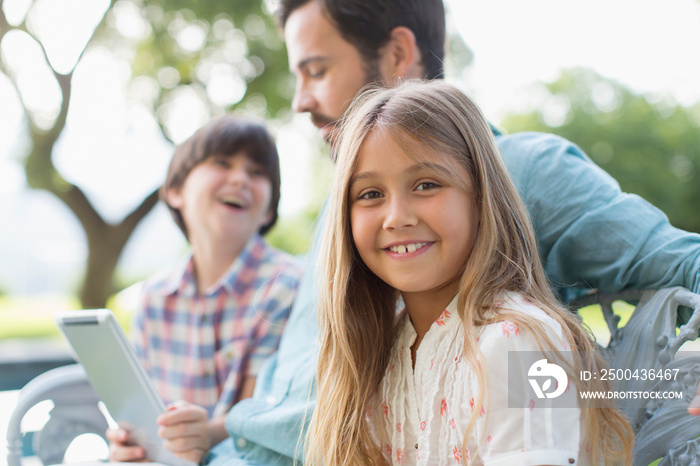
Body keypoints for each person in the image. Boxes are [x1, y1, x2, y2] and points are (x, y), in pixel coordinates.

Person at [115, 0, 700, 464]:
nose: (300, 101)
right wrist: (202, 434)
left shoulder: (523, 174)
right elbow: (297, 397)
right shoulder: (351, 227)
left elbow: (681, 266)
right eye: (369, 193)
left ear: (397, 52)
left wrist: (674, 385)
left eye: (316, 69)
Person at [308, 79, 634, 465]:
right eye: (370, 194)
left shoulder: (518, 341)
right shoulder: (381, 351)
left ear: (481, 199)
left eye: (426, 184)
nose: (396, 217)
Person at [106, 116, 303, 464]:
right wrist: (131, 441)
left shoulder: (287, 286)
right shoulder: (155, 297)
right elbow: (143, 409)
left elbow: (266, 415)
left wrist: (206, 434)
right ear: (176, 190)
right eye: (222, 163)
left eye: (257, 173)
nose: (240, 178)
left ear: (269, 209)